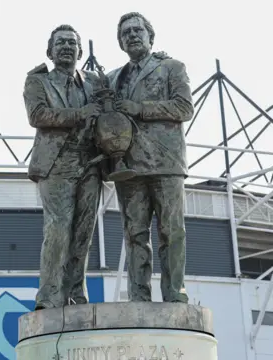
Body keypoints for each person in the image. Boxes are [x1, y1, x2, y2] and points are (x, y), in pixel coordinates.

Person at [106, 12, 194, 303]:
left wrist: (139, 108)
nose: (131, 35)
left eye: (137, 30)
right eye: (125, 33)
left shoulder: (172, 67)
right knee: (134, 235)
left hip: (166, 162)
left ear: (150, 36)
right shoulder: (112, 78)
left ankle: (174, 293)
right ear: (120, 42)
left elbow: (184, 108)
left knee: (172, 231)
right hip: (128, 167)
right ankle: (139, 296)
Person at [23, 24, 103, 310]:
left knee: (84, 233)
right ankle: (49, 296)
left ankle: (76, 294)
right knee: (58, 230)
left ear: (80, 51)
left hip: (90, 164)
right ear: (50, 50)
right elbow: (38, 115)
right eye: (61, 43)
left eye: (72, 43)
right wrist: (80, 115)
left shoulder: (94, 83)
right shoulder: (37, 82)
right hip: (57, 163)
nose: (67, 47)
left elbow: (118, 93)